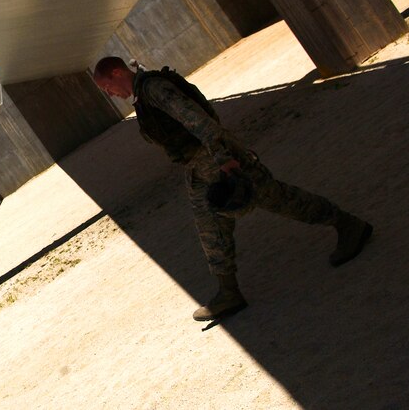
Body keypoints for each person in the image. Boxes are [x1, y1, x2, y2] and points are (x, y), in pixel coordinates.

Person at [92, 57, 373, 322]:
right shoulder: (143, 96)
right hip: (198, 168)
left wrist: (224, 159)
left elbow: (198, 121)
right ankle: (229, 292)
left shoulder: (154, 88)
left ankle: (347, 224)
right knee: (209, 225)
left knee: (277, 198)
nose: (110, 94)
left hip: (216, 159)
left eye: (107, 87)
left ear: (117, 73)